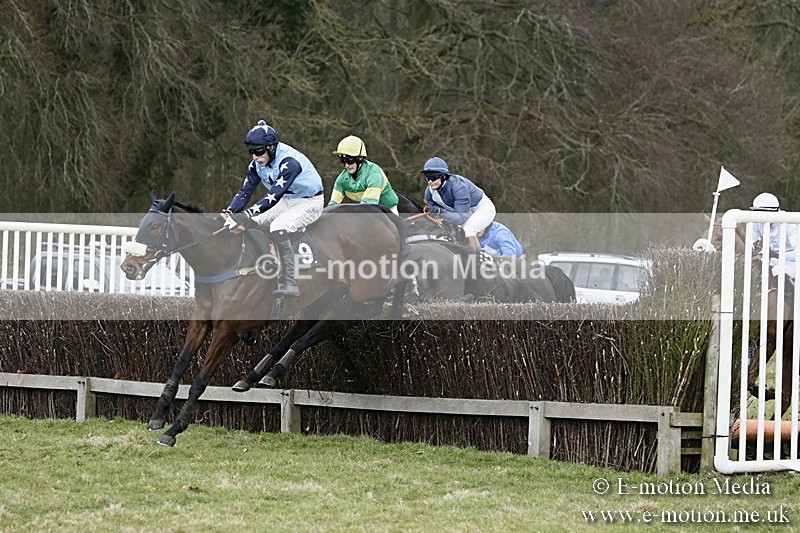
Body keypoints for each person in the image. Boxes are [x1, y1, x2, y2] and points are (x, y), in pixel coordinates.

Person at [222, 120, 324, 297]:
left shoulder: (289, 162)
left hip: (310, 202)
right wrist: (230, 212)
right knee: (251, 222)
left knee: (278, 226)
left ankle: (290, 281)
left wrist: (246, 213)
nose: (254, 156)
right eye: (251, 151)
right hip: (287, 200)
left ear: (271, 147)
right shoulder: (255, 165)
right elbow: (246, 190)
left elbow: (274, 195)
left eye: (258, 151)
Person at [422, 156, 496, 248]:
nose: (430, 182)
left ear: (444, 176)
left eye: (433, 178)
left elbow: (461, 218)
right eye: (427, 177)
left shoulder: (458, 187)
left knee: (468, 229)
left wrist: (440, 212)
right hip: (459, 212)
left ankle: (477, 258)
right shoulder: (429, 191)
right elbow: (433, 213)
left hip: (481, 209)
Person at [328, 135, 399, 214]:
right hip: (365, 208)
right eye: (343, 161)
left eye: (350, 160)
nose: (347, 165)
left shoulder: (373, 173)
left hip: (387, 210)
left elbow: (368, 206)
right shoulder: (341, 179)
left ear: (360, 158)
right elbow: (332, 205)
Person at [750, 192, 797, 279]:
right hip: (774, 260)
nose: (758, 218)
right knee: (756, 267)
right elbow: (751, 242)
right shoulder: (757, 222)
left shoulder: (790, 224)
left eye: (761, 214)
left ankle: (790, 292)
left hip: (793, 262)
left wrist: (776, 254)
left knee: (777, 270)